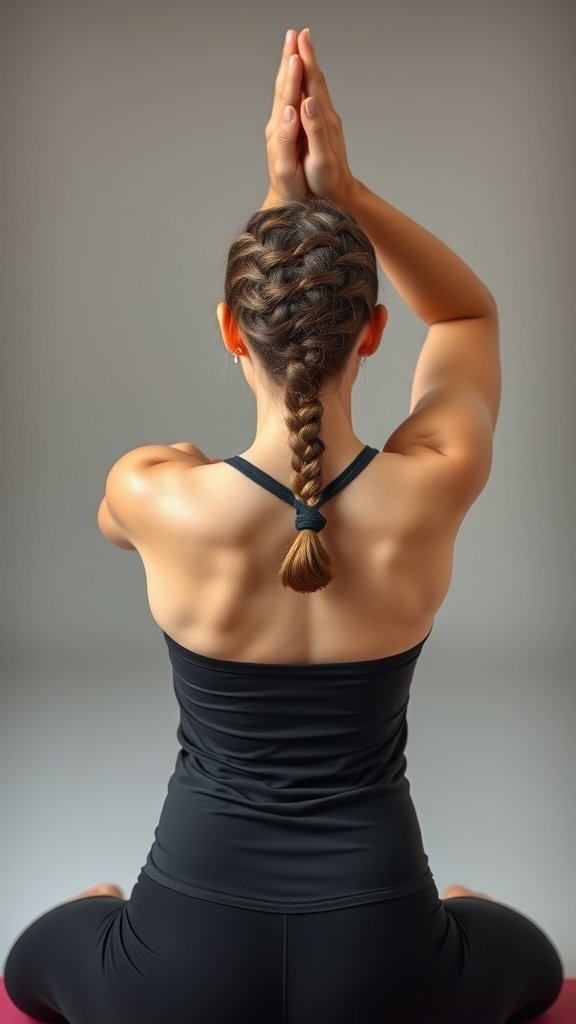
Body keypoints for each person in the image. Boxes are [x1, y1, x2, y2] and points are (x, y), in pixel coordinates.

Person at [3, 25, 564, 1024]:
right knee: (522, 947)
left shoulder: (156, 492)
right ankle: (450, 922)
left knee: (40, 949)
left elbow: (116, 516)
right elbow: (468, 318)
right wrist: (345, 196)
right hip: (385, 963)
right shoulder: (431, 488)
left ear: (230, 328)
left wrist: (283, 197)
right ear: (374, 333)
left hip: (182, 967)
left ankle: (111, 917)